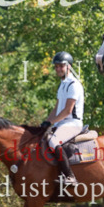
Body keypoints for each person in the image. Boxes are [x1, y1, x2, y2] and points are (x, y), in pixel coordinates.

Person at [41, 51, 85, 187]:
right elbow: (57, 108)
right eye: (56, 66)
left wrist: (51, 122)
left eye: (61, 66)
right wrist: (46, 122)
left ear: (69, 67)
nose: (58, 69)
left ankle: (70, 176)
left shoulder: (74, 85)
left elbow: (67, 110)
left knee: (54, 142)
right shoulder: (62, 85)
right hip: (62, 123)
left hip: (73, 123)